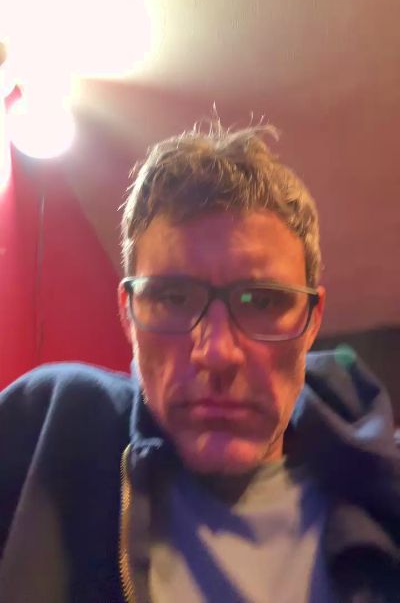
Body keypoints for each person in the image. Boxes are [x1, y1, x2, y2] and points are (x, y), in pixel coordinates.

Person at [0, 123, 399, 603]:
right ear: (128, 314)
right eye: (172, 298)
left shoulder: (384, 493)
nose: (216, 353)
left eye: (263, 301)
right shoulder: (43, 431)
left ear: (312, 320)